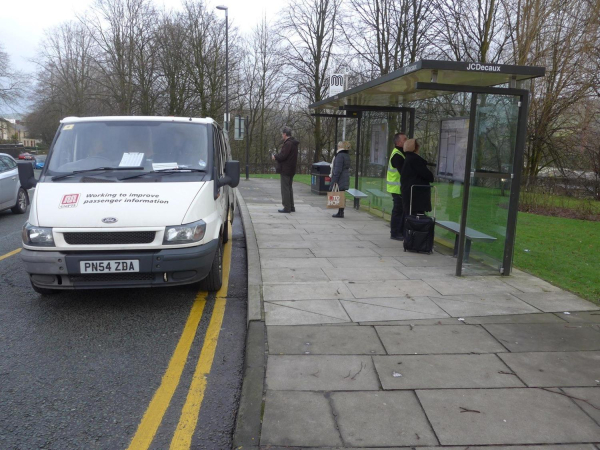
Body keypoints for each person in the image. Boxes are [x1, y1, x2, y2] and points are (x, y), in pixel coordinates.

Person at [400, 138, 434, 216]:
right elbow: (427, 175)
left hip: (410, 194)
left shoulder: (408, 158)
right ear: (415, 148)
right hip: (416, 196)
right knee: (415, 218)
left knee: (409, 217)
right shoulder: (414, 159)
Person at [272, 126, 299, 213]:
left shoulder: (288, 144)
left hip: (286, 169)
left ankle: (287, 207)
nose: (282, 136)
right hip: (292, 168)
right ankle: (291, 206)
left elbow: (283, 156)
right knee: (289, 187)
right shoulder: (294, 143)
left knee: (285, 189)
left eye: (282, 134)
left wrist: (275, 157)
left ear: (284, 134)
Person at [387, 132, 407, 240]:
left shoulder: (400, 153)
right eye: (405, 139)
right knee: (398, 211)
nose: (406, 141)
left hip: (398, 188)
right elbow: (404, 172)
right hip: (397, 188)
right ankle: (395, 233)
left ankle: (399, 232)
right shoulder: (397, 155)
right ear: (399, 142)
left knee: (400, 211)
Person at [330, 141, 351, 218]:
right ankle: (341, 211)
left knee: (340, 195)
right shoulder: (346, 155)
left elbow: (337, 169)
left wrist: (334, 181)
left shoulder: (339, 156)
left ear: (340, 147)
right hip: (345, 176)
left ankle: (340, 213)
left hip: (340, 177)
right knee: (342, 194)